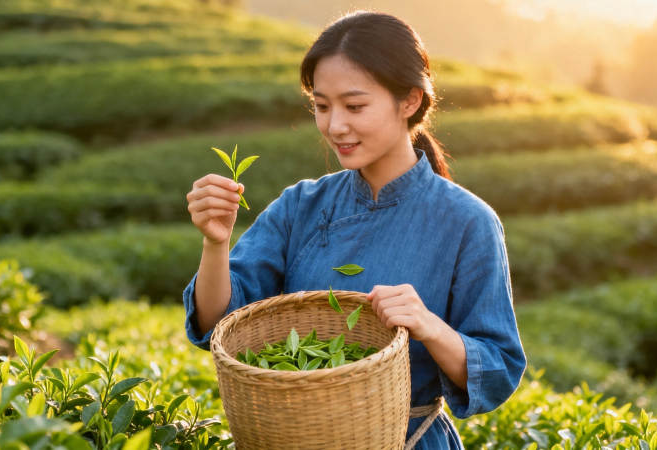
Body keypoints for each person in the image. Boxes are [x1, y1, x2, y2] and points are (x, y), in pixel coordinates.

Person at [183, 10, 526, 449]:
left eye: (354, 106)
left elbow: (497, 369)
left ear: (410, 101)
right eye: (321, 107)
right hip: (298, 439)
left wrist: (428, 325)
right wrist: (216, 243)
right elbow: (217, 325)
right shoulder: (300, 206)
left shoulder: (467, 222)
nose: (334, 125)